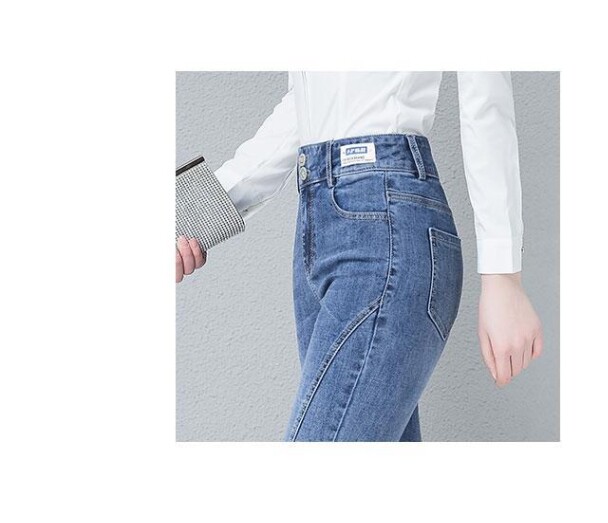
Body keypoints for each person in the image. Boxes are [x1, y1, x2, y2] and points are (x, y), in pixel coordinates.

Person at [176, 71, 543, 441]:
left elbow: (485, 96)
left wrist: (503, 274)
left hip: (387, 225)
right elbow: (305, 104)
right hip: (317, 223)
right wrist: (193, 218)